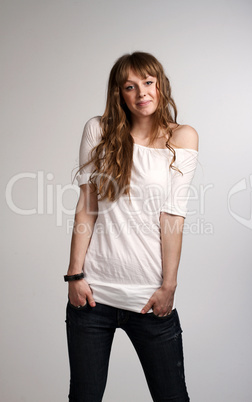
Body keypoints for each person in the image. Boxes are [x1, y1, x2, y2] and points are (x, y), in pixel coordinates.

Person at [65, 51, 199, 402]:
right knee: (84, 397)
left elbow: (173, 216)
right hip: (93, 297)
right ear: (119, 94)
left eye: (149, 82)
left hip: (149, 298)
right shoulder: (98, 130)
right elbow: (87, 206)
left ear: (160, 85)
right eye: (130, 86)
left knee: (172, 397)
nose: (142, 92)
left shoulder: (182, 138)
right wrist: (74, 276)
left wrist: (169, 285)